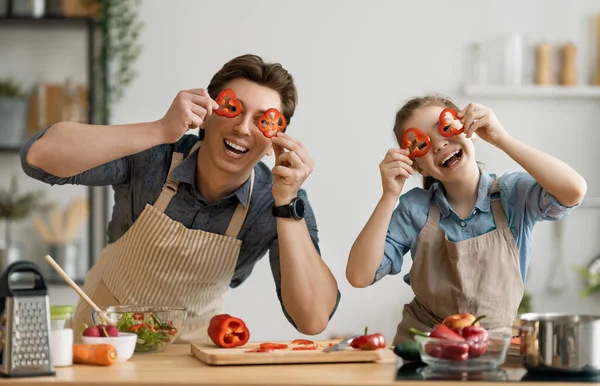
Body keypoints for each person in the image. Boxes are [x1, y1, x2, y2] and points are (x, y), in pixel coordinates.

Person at [21, 53, 340, 343]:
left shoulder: (278, 202)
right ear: (208, 113)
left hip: (191, 365)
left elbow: (312, 320)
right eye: (233, 108)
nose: (243, 127)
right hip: (100, 350)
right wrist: (161, 129)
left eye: (263, 120)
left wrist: (287, 203)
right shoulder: (152, 158)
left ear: (274, 141)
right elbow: (37, 156)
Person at [345, 94, 587, 344]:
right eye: (422, 144)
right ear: (418, 167)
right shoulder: (414, 208)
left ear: (470, 130)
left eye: (446, 127)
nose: (439, 144)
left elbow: (573, 190)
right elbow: (359, 275)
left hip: (493, 351)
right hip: (422, 348)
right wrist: (389, 195)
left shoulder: (512, 195)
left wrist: (501, 139)